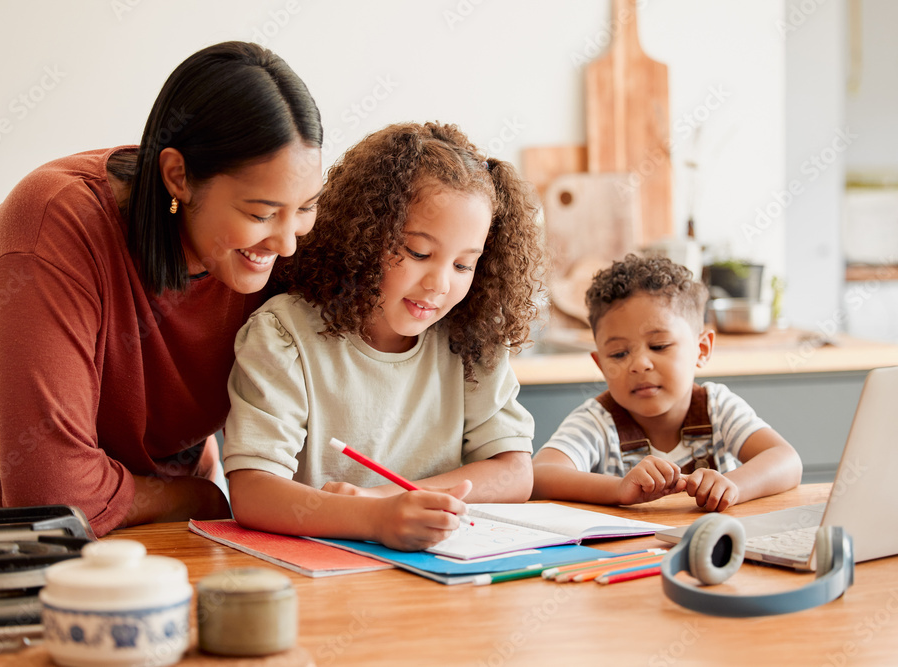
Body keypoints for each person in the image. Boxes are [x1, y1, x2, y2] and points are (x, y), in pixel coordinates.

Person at [0, 42, 324, 537]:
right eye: (260, 214)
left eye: (307, 208)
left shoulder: (273, 243)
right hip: (12, 542)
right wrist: (201, 495)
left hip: (170, 520)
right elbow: (52, 495)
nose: (288, 243)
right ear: (178, 176)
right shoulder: (51, 224)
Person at [223, 122, 543, 551]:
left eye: (464, 265)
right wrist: (373, 519)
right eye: (418, 253)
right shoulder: (284, 334)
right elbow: (253, 492)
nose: (439, 284)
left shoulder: (470, 340)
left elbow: (514, 472)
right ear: (366, 234)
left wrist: (387, 499)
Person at [531, 254, 802, 511]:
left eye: (659, 346)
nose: (639, 364)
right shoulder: (597, 421)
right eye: (619, 354)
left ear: (702, 349)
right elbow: (540, 476)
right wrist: (618, 489)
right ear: (601, 365)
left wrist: (734, 486)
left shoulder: (718, 407)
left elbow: (786, 460)